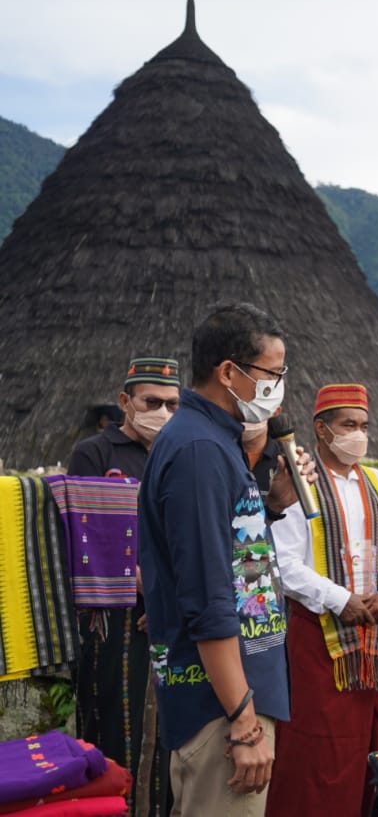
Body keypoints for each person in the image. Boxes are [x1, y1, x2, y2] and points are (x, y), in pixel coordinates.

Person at [138, 303, 310, 815]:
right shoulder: (198, 451)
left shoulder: (217, 441)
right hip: (219, 707)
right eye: (272, 374)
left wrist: (273, 504)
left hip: (234, 696)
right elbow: (210, 597)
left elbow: (233, 558)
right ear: (229, 372)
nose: (279, 387)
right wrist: (243, 720)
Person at [267, 384, 378, 817]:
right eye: (349, 425)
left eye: (364, 425)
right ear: (321, 429)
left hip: (374, 640)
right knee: (317, 753)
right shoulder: (299, 485)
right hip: (319, 639)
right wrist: (338, 598)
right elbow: (283, 562)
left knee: (369, 748)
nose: (359, 434)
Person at [67, 356, 181, 817]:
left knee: (175, 729)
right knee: (115, 721)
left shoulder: (179, 452)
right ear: (124, 402)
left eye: (173, 404)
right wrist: (151, 592)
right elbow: (90, 536)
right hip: (117, 618)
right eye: (151, 402)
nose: (163, 412)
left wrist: (171, 599)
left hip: (175, 614)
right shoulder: (95, 453)